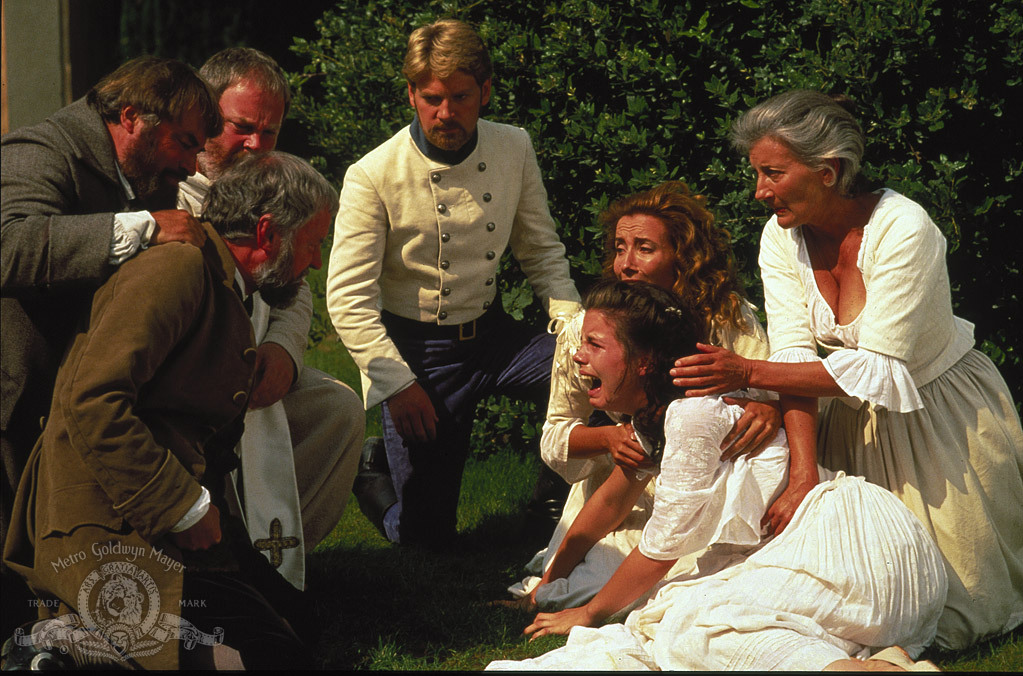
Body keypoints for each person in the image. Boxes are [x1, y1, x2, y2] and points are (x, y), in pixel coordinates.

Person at [670, 89, 1023, 650]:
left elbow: (882, 366)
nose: (759, 191)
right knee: (857, 592)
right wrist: (805, 476)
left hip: (937, 414)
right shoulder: (780, 237)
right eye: (757, 173)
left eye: (772, 173)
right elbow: (793, 357)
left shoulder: (906, 229)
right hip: (841, 417)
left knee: (958, 615)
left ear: (828, 170)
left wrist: (744, 373)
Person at [487, 280, 947, 671]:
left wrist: (587, 613)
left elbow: (662, 547)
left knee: (693, 625)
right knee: (680, 620)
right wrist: (546, 589)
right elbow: (609, 504)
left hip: (851, 549)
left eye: (594, 345)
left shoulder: (691, 416)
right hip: (805, 550)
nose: (578, 358)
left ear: (644, 360)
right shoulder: (658, 417)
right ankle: (874, 660)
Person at [3, 151, 334, 670]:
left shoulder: (219, 279)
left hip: (169, 522)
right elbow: (92, 400)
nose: (315, 261)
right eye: (314, 243)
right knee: (256, 661)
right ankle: (61, 645)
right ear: (268, 232)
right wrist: (182, 505)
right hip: (105, 517)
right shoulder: (179, 268)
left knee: (298, 628)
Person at [327, 19, 581, 545]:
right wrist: (396, 385)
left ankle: (550, 513)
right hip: (420, 356)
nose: (446, 113)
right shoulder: (373, 173)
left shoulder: (514, 147)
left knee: (598, 374)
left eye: (461, 97)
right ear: (412, 95)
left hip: (493, 338)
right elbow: (348, 298)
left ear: (485, 92)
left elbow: (540, 249)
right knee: (427, 539)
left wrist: (574, 328)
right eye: (432, 98)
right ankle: (374, 479)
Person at [1, 55, 220, 638]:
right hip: (13, 400)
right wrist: (144, 226)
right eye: (183, 142)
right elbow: (9, 247)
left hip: (72, 402)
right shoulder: (40, 150)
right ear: (131, 119)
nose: (191, 162)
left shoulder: (148, 172)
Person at [506, 181, 778, 611]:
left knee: (674, 592)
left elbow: (767, 393)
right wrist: (610, 440)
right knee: (571, 588)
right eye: (619, 248)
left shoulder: (726, 317)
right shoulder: (592, 328)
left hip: (711, 482)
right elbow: (556, 434)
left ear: (683, 257)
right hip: (627, 475)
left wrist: (768, 406)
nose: (625, 265)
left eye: (644, 248)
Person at [177, 47, 363, 587]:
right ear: (205, 113)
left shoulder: (272, 180)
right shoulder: (170, 186)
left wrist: (283, 347)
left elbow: (292, 279)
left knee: (337, 410)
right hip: (188, 381)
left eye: (270, 133)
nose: (255, 145)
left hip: (256, 362)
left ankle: (276, 551)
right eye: (241, 127)